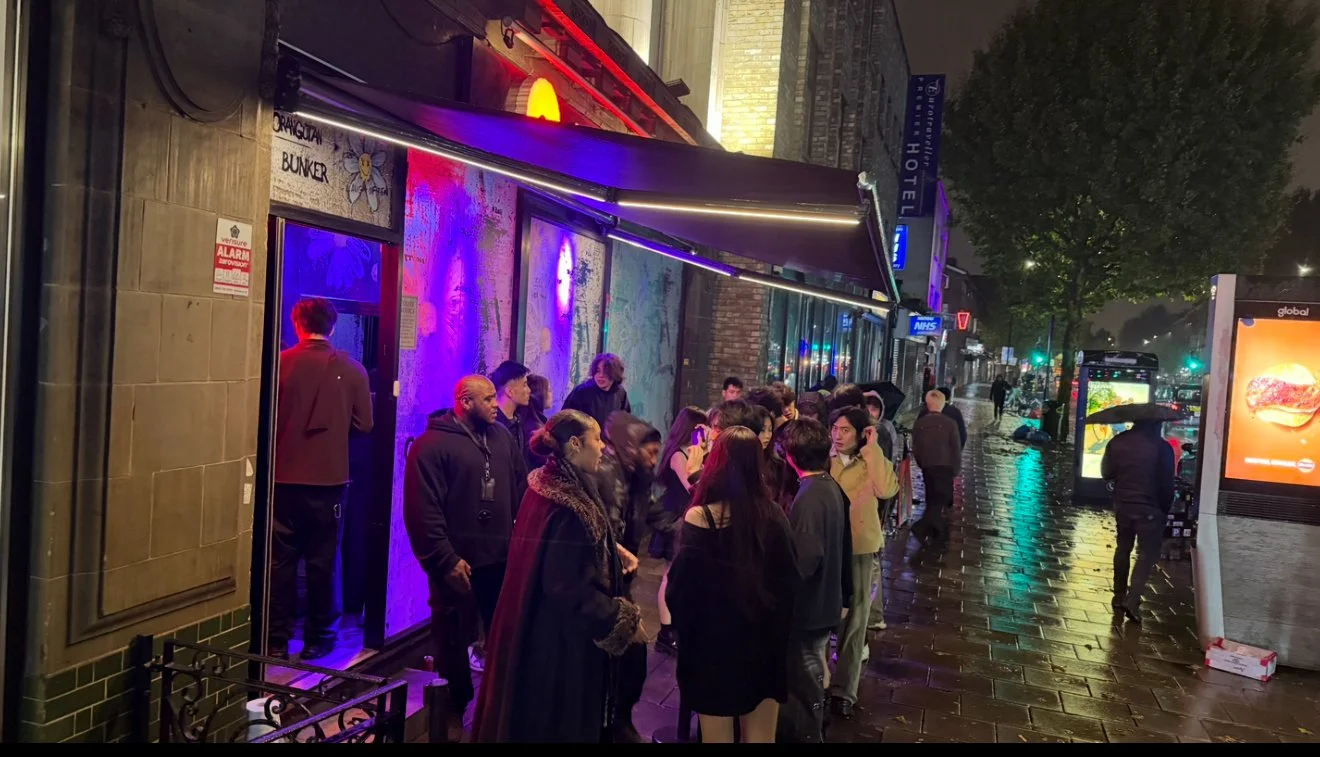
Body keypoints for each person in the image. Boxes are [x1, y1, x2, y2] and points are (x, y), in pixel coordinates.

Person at [472, 410, 645, 743]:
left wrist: (611, 549)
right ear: (576, 444)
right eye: (597, 440)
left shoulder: (546, 487)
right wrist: (621, 619)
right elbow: (567, 588)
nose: (603, 448)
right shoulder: (567, 504)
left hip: (532, 626)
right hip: (556, 646)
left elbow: (561, 551)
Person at [403, 376, 528, 723]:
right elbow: (422, 510)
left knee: (504, 631)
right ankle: (453, 710)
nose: (494, 404)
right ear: (464, 401)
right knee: (453, 638)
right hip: (457, 563)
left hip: (500, 558)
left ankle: (501, 703)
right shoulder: (430, 446)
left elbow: (520, 486)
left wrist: (519, 542)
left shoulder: (501, 437)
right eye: (487, 399)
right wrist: (444, 559)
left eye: (493, 398)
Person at [666, 427, 800, 743]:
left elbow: (680, 591)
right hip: (764, 644)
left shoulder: (701, 518)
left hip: (714, 649)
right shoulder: (774, 516)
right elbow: (791, 582)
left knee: (717, 736)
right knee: (761, 737)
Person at [270, 298, 373, 660]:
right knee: (323, 563)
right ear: (333, 326)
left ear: (297, 324)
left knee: (279, 564)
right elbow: (364, 425)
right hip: (329, 481)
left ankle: (275, 641)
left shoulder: (277, 364)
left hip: (281, 480)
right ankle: (319, 639)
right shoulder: (353, 370)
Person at [594, 411, 672, 742]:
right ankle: (609, 723)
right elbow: (606, 533)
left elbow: (659, 516)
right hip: (602, 583)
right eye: (649, 452)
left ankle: (618, 720)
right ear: (630, 448)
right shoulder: (608, 475)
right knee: (617, 657)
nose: (654, 458)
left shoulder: (639, 479)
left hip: (622, 580)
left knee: (631, 657)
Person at [776, 419, 853, 743]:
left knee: (804, 685)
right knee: (813, 675)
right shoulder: (829, 486)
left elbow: (805, 559)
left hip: (809, 610)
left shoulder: (808, 497)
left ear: (792, 455)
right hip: (826, 603)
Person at [826, 407, 898, 719]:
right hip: (827, 547)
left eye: (845, 430)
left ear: (859, 433)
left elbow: (887, 489)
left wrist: (873, 449)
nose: (838, 435)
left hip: (858, 548)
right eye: (835, 429)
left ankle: (844, 691)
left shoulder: (870, 461)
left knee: (855, 624)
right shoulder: (823, 458)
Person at [1101, 418, 1175, 625]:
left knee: (1123, 548)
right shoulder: (1162, 448)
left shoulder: (1117, 442)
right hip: (1150, 509)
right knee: (1147, 553)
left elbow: (1106, 472)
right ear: (1156, 424)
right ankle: (1132, 599)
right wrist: (1164, 508)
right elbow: (1167, 484)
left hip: (1123, 505)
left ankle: (1118, 594)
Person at [652, 407, 710, 656]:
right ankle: (665, 632)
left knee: (679, 574)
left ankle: (676, 626)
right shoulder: (679, 454)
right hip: (675, 518)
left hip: (686, 516)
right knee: (669, 574)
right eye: (701, 428)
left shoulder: (694, 452)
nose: (704, 432)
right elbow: (691, 487)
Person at [910, 390, 964, 547]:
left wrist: (921, 462)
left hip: (928, 466)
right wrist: (956, 468)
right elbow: (956, 447)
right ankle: (922, 528)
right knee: (941, 498)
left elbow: (916, 446)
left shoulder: (920, 423)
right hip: (945, 466)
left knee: (933, 497)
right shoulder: (950, 424)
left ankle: (935, 531)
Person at [564, 353, 632, 430]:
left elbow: (625, 420)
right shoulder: (582, 392)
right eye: (598, 370)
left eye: (606, 372)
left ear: (615, 374)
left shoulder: (620, 393)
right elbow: (565, 419)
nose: (600, 375)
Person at [490, 360, 536, 470]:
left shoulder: (517, 421)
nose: (529, 390)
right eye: (524, 385)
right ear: (509, 392)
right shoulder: (492, 424)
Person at [525, 373, 552, 470]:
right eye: (549, 390)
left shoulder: (536, 419)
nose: (551, 394)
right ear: (539, 394)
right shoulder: (535, 427)